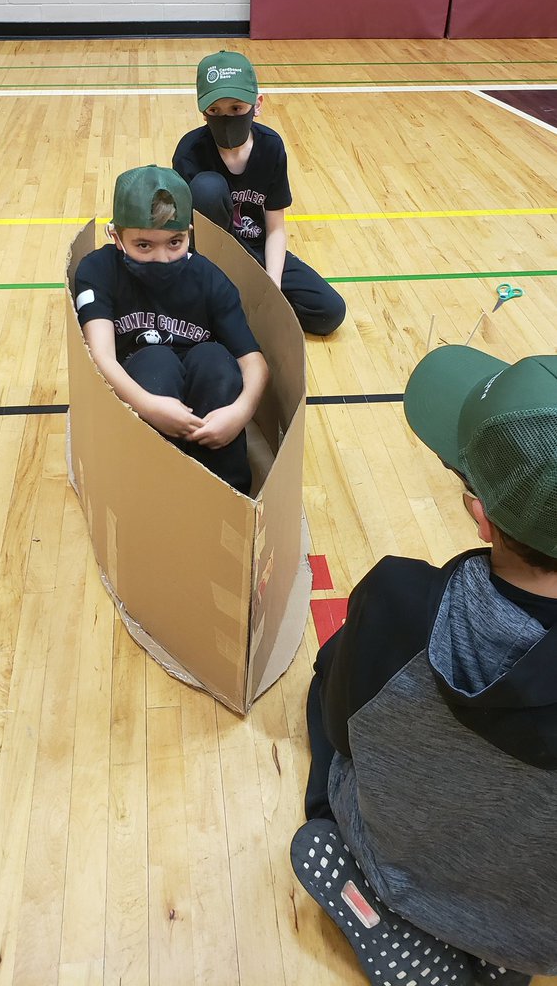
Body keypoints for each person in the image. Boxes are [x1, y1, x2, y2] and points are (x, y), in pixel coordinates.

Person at [292, 344, 557, 986]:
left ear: (481, 515)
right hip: (541, 929)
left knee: (333, 667)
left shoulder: (400, 602)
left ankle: (385, 901)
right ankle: (501, 950)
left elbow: (346, 730)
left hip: (405, 865)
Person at [73, 164, 268, 495]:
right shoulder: (98, 270)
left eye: (175, 243)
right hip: (140, 388)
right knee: (156, 361)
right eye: (144, 245)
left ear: (189, 234)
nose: (162, 258)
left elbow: (254, 362)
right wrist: (148, 405)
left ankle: (226, 495)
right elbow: (101, 355)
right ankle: (156, 490)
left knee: (215, 360)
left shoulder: (209, 279)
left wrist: (240, 412)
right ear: (116, 237)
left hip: (203, 400)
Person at [172, 49, 346, 337]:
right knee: (207, 188)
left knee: (329, 311)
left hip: (257, 249)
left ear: (257, 104)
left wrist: (272, 288)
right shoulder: (190, 152)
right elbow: (183, 229)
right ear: (203, 111)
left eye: (236, 109)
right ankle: (224, 298)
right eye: (215, 111)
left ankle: (242, 303)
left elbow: (276, 228)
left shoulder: (271, 147)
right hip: (210, 256)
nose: (226, 118)